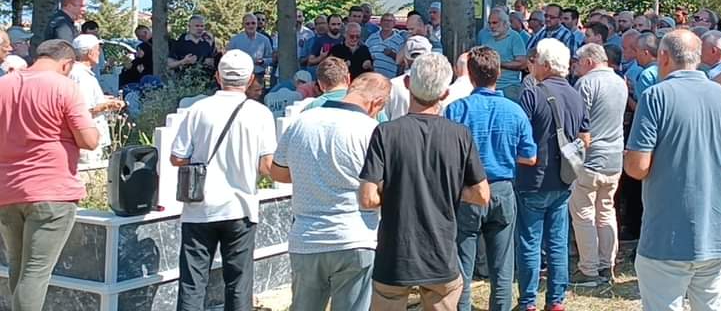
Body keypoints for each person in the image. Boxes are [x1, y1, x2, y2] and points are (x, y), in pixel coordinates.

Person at [625, 29, 721, 311]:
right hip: (715, 234)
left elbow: (637, 167)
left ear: (663, 56)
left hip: (666, 235)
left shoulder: (655, 96)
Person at [359, 53, 490, 311]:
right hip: (440, 251)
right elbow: (481, 195)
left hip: (395, 252)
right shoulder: (459, 135)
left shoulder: (385, 133)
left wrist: (396, 190)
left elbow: (367, 198)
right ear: (445, 93)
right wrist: (450, 188)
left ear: (408, 83)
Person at [270, 72, 391, 311]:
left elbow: (278, 172)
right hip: (355, 236)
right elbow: (381, 186)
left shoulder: (303, 120)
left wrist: (311, 175)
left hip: (307, 237)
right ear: (377, 103)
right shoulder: (371, 130)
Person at [170, 50, 278, 311]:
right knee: (239, 285)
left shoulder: (198, 109)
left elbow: (177, 157)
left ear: (218, 76)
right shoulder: (260, 113)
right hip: (240, 207)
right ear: (250, 79)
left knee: (192, 284)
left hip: (199, 207)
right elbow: (266, 166)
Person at [0, 40, 100, 311]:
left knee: (18, 267)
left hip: (6, 190)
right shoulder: (64, 87)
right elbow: (89, 140)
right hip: (51, 189)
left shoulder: (4, 84)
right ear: (66, 64)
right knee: (36, 271)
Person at [444, 47, 537, 311]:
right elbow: (530, 156)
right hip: (502, 188)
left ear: (470, 75)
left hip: (467, 189)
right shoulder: (514, 111)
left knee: (463, 262)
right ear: (499, 74)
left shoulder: (456, 110)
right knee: (502, 265)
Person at [516, 39, 590, 311]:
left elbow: (520, 135)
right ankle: (556, 300)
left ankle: (528, 302)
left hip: (532, 177)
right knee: (558, 241)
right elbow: (585, 138)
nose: (532, 64)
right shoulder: (576, 94)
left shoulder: (532, 94)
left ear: (546, 64)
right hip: (563, 177)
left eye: (536, 60)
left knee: (530, 242)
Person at [569, 43, 628, 288]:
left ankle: (588, 269)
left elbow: (579, 123)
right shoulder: (620, 82)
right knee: (606, 210)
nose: (576, 67)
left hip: (590, 158)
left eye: (578, 62)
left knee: (583, 213)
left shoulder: (586, 83)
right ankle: (606, 265)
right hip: (614, 157)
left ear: (589, 61)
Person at [70, 35, 124, 163]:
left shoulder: (75, 71)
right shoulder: (83, 76)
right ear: (89, 53)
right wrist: (110, 105)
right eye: (97, 49)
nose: (99, 53)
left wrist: (103, 99)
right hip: (88, 137)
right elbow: (86, 110)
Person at [477, 7, 528, 101]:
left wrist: (498, 63)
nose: (491, 26)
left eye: (495, 23)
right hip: (486, 86)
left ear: (505, 23)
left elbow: (522, 64)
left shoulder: (515, 38)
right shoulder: (485, 36)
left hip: (508, 86)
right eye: (489, 23)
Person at [383, 36, 433, 121]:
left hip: (395, 128)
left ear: (405, 59)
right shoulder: (437, 84)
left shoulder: (392, 85)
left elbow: (384, 117)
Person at [228, 13, 275, 79]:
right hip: (241, 75)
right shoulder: (234, 41)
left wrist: (263, 61)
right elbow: (228, 59)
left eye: (253, 23)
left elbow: (271, 59)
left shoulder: (265, 40)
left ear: (256, 24)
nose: (251, 26)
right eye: (247, 24)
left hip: (259, 75)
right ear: (243, 25)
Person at [367, 13, 404, 79]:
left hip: (390, 79)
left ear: (394, 23)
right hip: (372, 78)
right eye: (385, 20)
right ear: (381, 22)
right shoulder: (372, 37)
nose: (387, 23)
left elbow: (402, 62)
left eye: (390, 21)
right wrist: (369, 58)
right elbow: (364, 53)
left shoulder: (399, 40)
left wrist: (392, 54)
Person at [633, 33, 660, 102]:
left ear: (645, 53)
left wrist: (626, 93)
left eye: (636, 51)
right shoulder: (665, 69)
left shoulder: (646, 75)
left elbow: (642, 105)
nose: (635, 55)